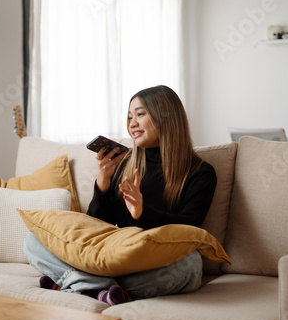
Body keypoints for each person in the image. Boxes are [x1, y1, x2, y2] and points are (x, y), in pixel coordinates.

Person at [24, 85, 217, 306]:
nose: (132, 123)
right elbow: (98, 224)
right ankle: (100, 290)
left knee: (190, 264)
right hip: (115, 255)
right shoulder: (125, 163)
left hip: (151, 260)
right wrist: (103, 184)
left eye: (140, 114)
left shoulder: (200, 173)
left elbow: (191, 229)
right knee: (34, 240)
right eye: (129, 116)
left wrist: (143, 213)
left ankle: (78, 284)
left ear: (166, 116)